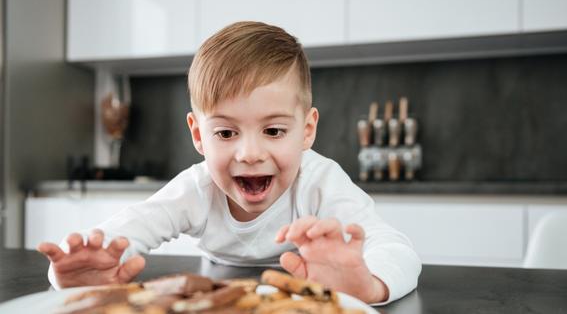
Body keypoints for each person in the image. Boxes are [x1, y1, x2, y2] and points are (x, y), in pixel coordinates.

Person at [37, 21, 421, 304]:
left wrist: (367, 285)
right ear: (199, 135)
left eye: (273, 131)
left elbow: (397, 250)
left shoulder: (319, 181)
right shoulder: (197, 189)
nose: (250, 154)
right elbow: (124, 234)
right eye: (226, 133)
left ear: (306, 131)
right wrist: (82, 276)